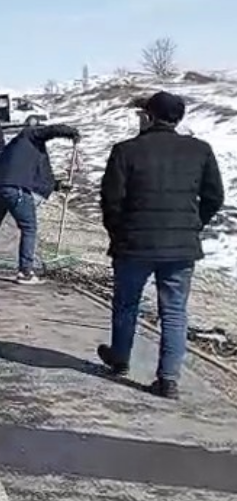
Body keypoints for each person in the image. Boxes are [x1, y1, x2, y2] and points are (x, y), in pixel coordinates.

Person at [96, 91, 224, 399]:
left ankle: (120, 359)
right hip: (180, 247)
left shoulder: (126, 151)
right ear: (178, 119)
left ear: (149, 116)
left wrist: (119, 233)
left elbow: (111, 200)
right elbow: (214, 197)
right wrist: (192, 225)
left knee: (127, 304)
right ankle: (168, 380)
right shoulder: (200, 150)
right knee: (175, 311)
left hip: (134, 244)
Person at [0, 123, 81, 284]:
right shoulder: (30, 134)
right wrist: (71, 133)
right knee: (29, 227)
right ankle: (25, 272)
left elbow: (38, 178)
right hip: (15, 189)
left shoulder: (16, 149)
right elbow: (50, 130)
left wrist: (58, 185)